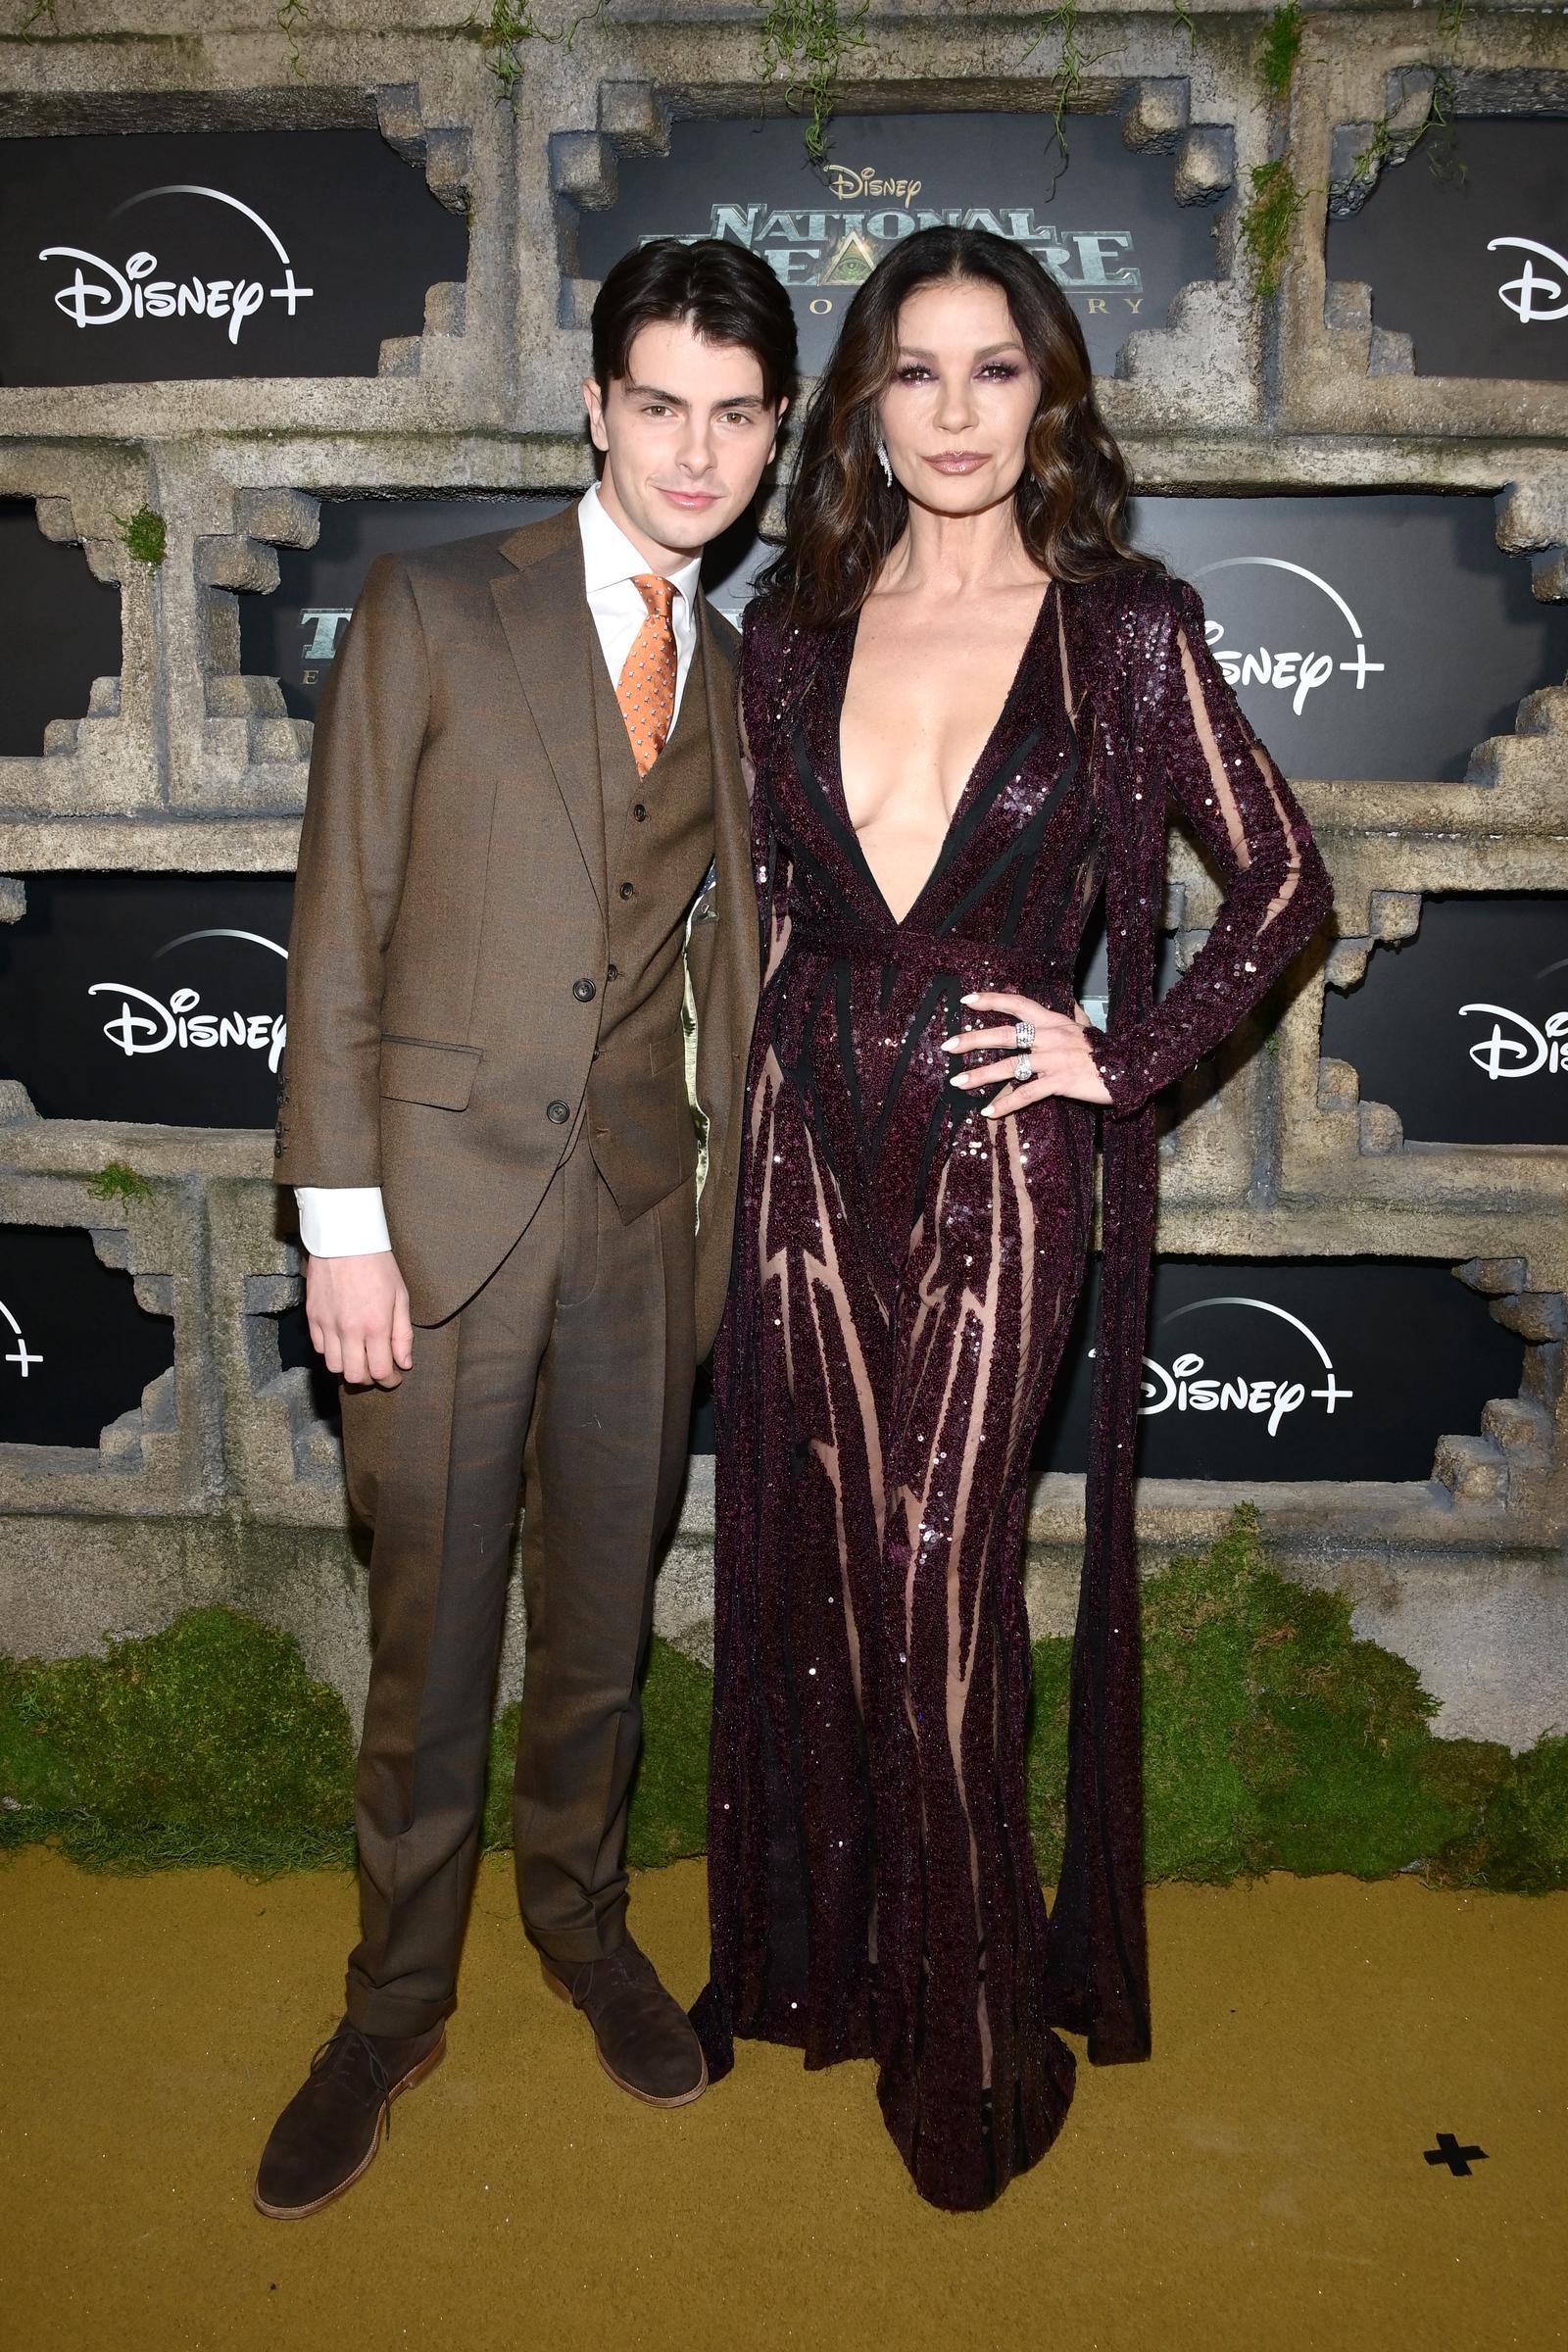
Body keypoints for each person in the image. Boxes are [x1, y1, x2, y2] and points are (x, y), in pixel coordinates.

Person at [689, 225, 1335, 2211]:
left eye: (992, 371)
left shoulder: (1122, 630)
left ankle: (971, 2050)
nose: (954, 412)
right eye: (913, 371)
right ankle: (851, 1970)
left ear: (1044, 397)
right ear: (860, 407)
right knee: (812, 1591)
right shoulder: (780, 630)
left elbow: (1283, 889)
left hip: (990, 1164)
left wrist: (1111, 1059)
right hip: (802, 1145)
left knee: (931, 1585)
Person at [257, 237, 795, 2220]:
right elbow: (337, 928)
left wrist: (735, 1227)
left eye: (734, 416)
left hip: (641, 1234)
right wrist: (341, 1224)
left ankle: (577, 1921)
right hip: (433, 1228)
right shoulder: (428, 609)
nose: (694, 450)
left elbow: (725, 977)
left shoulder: (742, 684)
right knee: (430, 1644)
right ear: (593, 405)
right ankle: (389, 2006)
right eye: (658, 403)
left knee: (593, 1633)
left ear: (766, 437)